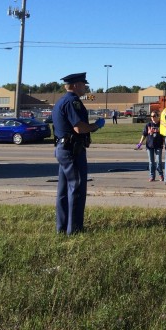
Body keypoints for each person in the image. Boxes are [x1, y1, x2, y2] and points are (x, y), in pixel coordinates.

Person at [51, 72, 105, 235]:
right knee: (77, 188)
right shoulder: (73, 102)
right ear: (75, 85)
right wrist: (96, 125)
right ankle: (74, 229)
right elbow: (79, 128)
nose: (86, 87)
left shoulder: (61, 101)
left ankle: (62, 227)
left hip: (63, 149)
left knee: (63, 190)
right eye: (83, 84)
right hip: (72, 150)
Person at [136, 111, 164, 182]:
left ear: (158, 116)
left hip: (158, 145)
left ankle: (161, 174)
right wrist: (140, 143)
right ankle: (152, 176)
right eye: (151, 116)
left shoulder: (161, 125)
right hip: (149, 145)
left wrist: (165, 144)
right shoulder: (148, 124)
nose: (152, 118)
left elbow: (164, 136)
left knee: (158, 162)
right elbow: (144, 134)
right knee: (151, 162)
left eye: (154, 116)